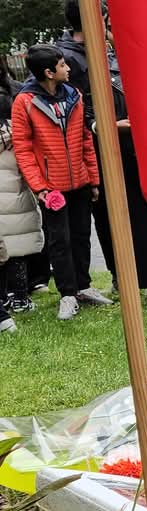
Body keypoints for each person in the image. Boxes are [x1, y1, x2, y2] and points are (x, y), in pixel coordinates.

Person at [58, 0, 147, 309]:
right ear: (93, 18)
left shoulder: (113, 52)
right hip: (103, 152)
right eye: (106, 19)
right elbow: (70, 108)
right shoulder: (66, 60)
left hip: (138, 144)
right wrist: (102, 125)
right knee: (125, 218)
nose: (109, 26)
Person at [10, 45, 111, 321]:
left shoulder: (74, 95)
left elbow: (85, 140)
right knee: (60, 241)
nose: (68, 68)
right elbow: (23, 148)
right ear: (48, 72)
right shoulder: (25, 101)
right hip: (51, 187)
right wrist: (40, 187)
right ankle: (67, 294)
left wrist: (93, 178)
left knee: (81, 236)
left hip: (79, 181)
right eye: (63, 65)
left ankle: (83, 286)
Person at [0, 75, 43, 325]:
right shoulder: (16, 134)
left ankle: (3, 297)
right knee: (18, 252)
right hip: (16, 196)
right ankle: (20, 297)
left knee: (3, 251)